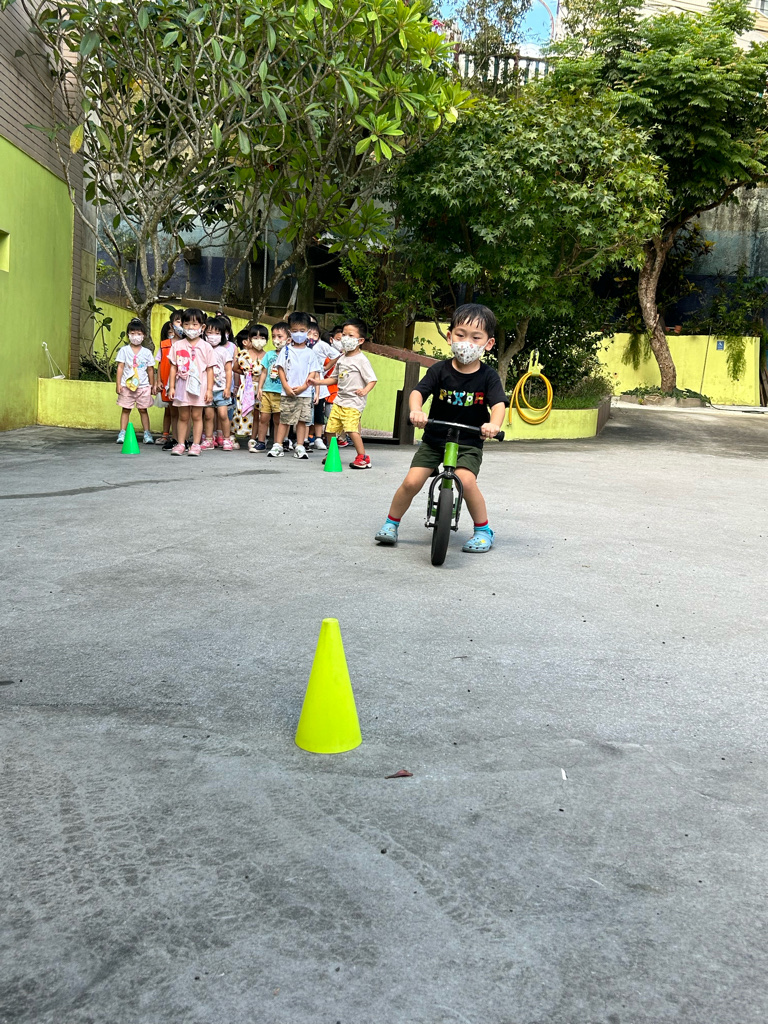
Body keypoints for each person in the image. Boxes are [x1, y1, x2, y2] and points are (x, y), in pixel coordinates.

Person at [374, 303, 506, 552]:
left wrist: (493, 425)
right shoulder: (439, 370)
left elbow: (498, 403)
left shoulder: (488, 376)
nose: (466, 343)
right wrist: (416, 410)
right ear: (449, 337)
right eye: (460, 335)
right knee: (412, 482)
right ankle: (391, 523)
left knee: (466, 482)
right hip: (435, 439)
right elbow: (418, 392)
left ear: (488, 343)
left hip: (468, 443)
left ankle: (483, 530)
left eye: (476, 337)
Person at [311, 318, 377, 469]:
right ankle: (332, 452)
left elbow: (372, 380)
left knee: (351, 429)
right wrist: (317, 382)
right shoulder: (342, 358)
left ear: (360, 340)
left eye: (350, 335)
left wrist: (364, 390)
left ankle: (363, 457)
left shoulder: (362, 360)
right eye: (344, 335)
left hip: (354, 402)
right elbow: (334, 378)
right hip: (339, 400)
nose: (346, 338)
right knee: (330, 429)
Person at [267, 311, 322, 460]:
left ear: (308, 331)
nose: (299, 334)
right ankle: (278, 445)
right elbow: (280, 369)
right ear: (290, 331)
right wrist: (286, 386)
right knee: (284, 419)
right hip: (288, 393)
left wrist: (304, 387)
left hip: (304, 394)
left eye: (302, 331)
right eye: (295, 330)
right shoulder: (285, 351)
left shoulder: (310, 353)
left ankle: (300, 446)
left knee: (302, 421)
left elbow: (313, 372)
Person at [168, 308, 215, 456]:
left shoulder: (206, 347)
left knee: (197, 416)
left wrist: (209, 390)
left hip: (200, 387)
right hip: (182, 386)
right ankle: (181, 443)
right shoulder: (177, 345)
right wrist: (171, 387)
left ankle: (195, 444)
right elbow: (173, 367)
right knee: (183, 416)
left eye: (195, 324)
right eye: (187, 324)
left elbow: (210, 370)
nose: (190, 328)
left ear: (202, 327)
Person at [115, 318, 156, 444]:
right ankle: (122, 432)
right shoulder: (124, 350)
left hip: (143, 386)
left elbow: (150, 369)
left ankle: (147, 433)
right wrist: (118, 384)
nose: (135, 336)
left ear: (144, 336)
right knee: (126, 409)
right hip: (127, 386)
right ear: (128, 334)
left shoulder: (147, 352)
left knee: (143, 410)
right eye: (132, 333)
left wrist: (152, 385)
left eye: (138, 334)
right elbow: (120, 367)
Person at [253, 321, 289, 452]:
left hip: (281, 392)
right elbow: (264, 372)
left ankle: (278, 443)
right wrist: (260, 388)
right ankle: (261, 441)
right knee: (264, 418)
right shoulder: (269, 354)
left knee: (278, 419)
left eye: (280, 336)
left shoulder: (290, 355)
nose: (276, 339)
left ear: (289, 338)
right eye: (273, 336)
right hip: (267, 391)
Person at [202, 315, 236, 451]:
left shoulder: (223, 351)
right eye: (210, 332)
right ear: (204, 333)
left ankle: (226, 439)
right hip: (207, 390)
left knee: (223, 415)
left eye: (217, 333)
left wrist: (228, 388)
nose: (213, 336)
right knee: (208, 416)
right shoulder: (203, 349)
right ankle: (209, 439)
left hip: (221, 389)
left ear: (222, 335)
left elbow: (229, 371)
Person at [233, 325, 264, 446]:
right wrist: (247, 374)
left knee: (258, 413)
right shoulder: (243, 354)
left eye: (262, 337)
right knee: (241, 411)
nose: (258, 340)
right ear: (250, 339)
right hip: (247, 387)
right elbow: (235, 368)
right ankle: (233, 435)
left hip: (261, 388)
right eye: (255, 337)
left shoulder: (267, 355)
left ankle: (253, 437)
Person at [155, 319, 178, 449]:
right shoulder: (164, 345)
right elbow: (160, 363)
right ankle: (166, 435)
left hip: (180, 382)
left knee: (181, 412)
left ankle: (179, 437)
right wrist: (158, 381)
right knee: (169, 410)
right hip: (167, 382)